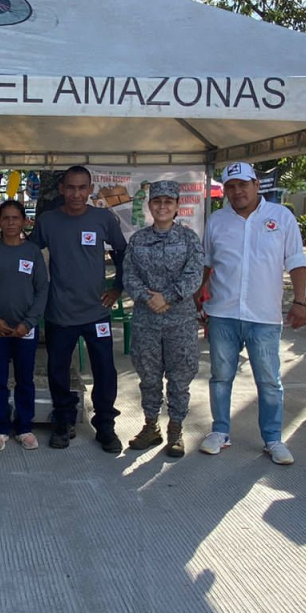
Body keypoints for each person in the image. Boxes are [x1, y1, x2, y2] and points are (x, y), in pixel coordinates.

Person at [197, 161, 306, 465]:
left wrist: (300, 302)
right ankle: (220, 431)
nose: (237, 191)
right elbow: (207, 263)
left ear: (257, 184)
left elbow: (296, 261)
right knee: (220, 377)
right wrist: (198, 296)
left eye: (243, 184)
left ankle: (273, 439)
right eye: (231, 186)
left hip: (264, 316)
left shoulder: (281, 217)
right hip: (222, 313)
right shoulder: (217, 221)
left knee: (269, 381)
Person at [29, 165, 128, 453]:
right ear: (62, 189)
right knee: (58, 370)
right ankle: (64, 421)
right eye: (70, 187)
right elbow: (29, 254)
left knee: (105, 370)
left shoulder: (103, 218)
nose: (76, 194)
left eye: (82, 188)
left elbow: (122, 252)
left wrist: (117, 288)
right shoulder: (48, 221)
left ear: (90, 190)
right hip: (59, 312)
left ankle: (105, 424)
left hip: (97, 311)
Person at [123, 181, 205, 457]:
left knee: (180, 378)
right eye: (157, 201)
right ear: (149, 205)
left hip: (179, 321)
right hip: (146, 319)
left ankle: (176, 430)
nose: (162, 207)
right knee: (148, 376)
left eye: (168, 202)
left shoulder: (189, 239)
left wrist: (167, 297)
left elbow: (194, 275)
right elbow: (129, 275)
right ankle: (151, 427)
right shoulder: (138, 240)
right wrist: (148, 299)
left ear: (177, 206)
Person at [0, 199, 48, 451]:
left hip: (25, 329)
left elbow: (42, 290)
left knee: (25, 378)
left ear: (24, 221)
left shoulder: (33, 252)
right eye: (6, 218)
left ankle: (24, 426)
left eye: (16, 218)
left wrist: (29, 322)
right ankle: (0, 427)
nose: (11, 223)